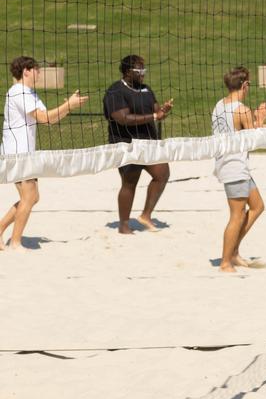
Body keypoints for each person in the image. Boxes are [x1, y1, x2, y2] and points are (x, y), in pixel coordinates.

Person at [1, 56, 87, 252]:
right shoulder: (19, 93)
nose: (39, 72)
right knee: (29, 197)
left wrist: (69, 108)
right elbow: (42, 117)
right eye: (37, 69)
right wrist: (67, 105)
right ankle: (15, 242)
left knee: (32, 197)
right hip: (16, 153)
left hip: (24, 153)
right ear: (26, 71)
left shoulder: (30, 93)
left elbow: (49, 120)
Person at [104, 54, 174, 236]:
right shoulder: (115, 91)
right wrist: (153, 117)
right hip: (126, 144)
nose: (143, 73)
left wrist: (162, 111)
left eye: (144, 69)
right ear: (128, 72)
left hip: (148, 143)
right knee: (130, 182)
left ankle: (145, 215)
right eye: (139, 70)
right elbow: (123, 118)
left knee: (162, 173)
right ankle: (124, 225)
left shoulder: (145, 89)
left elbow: (156, 111)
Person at [211, 67, 266, 273]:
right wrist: (260, 120)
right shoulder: (242, 109)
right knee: (236, 215)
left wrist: (258, 124)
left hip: (228, 163)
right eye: (249, 85)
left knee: (258, 206)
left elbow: (241, 132)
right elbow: (253, 140)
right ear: (244, 85)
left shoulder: (219, 105)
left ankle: (233, 252)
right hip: (234, 167)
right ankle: (225, 262)